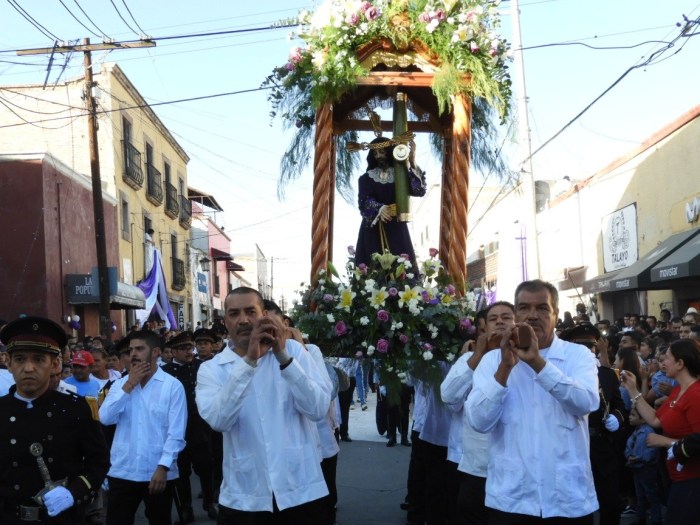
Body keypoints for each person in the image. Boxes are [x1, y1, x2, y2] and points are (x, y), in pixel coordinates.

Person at [466, 279, 600, 523]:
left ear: (556, 315)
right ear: (516, 313)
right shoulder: (492, 361)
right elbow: (478, 421)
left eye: (542, 308)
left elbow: (586, 402)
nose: (532, 315)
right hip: (511, 499)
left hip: (567, 500)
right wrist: (505, 369)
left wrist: (538, 363)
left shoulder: (578, 355)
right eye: (524, 308)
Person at [195, 287, 331, 524]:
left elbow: (318, 409)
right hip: (244, 497)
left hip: (301, 488)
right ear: (225, 321)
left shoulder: (295, 353)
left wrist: (283, 357)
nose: (244, 320)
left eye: (250, 311)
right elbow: (219, 421)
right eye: (234, 314)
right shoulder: (212, 369)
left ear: (264, 315)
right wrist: (249, 361)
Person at [0, 316, 110, 524]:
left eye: (39, 359)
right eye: (20, 359)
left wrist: (74, 492)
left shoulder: (75, 409)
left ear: (55, 363)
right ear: (9, 363)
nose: (29, 367)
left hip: (62, 519)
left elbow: (98, 461)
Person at [99, 330, 187, 525]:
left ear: (155, 352)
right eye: (131, 350)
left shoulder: (172, 386)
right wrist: (129, 385)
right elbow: (105, 418)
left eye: (139, 349)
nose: (133, 354)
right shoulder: (119, 385)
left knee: (159, 520)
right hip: (123, 470)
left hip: (157, 471)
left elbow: (176, 434)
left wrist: (163, 467)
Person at [441, 301, 516, 525]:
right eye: (493, 319)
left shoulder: (526, 359)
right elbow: (448, 396)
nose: (500, 322)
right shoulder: (469, 359)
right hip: (476, 468)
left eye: (506, 317)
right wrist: (478, 356)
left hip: (514, 468)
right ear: (484, 329)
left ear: (516, 323)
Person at [620, 339, 700, 525]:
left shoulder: (696, 395)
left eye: (668, 358)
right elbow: (656, 419)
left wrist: (664, 442)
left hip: (693, 480)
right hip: (675, 477)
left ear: (680, 364)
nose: (662, 362)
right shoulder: (679, 389)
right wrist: (633, 391)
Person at [560, 323, 625, 525]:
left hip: (600, 446)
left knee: (610, 503)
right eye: (582, 346)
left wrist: (616, 417)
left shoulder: (606, 374)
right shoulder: (561, 374)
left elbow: (620, 406)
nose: (589, 351)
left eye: (592, 347)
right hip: (572, 445)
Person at [161, 330, 217, 522]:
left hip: (200, 426)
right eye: (183, 349)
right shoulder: (166, 372)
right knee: (181, 469)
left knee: (206, 465)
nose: (189, 352)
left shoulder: (202, 367)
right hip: (178, 428)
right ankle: (186, 508)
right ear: (173, 352)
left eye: (189, 347)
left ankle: (210, 502)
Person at [354, 136, 426, 268]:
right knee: (373, 263)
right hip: (373, 226)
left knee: (402, 263)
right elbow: (364, 201)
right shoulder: (366, 178)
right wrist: (379, 208)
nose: (379, 156)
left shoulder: (400, 174)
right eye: (375, 153)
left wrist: (411, 161)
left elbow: (418, 190)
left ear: (389, 151)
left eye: (382, 152)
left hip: (396, 224)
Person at [624, 408, 663, 525]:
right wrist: (629, 456)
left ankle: (656, 520)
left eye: (633, 415)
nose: (630, 417)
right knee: (640, 494)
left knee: (651, 494)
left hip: (647, 469)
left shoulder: (648, 432)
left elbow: (652, 451)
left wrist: (638, 458)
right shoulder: (636, 431)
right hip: (637, 469)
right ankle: (641, 519)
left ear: (642, 420)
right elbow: (628, 446)